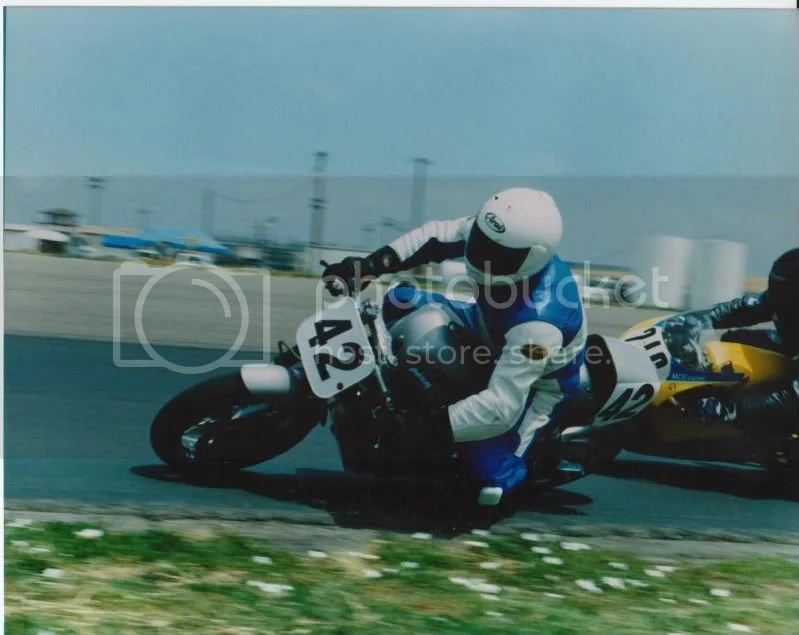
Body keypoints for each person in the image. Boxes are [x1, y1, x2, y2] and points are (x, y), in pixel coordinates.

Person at [322, 187, 586, 506]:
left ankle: (530, 465)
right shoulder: (497, 233)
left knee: (484, 483)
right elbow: (434, 236)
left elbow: (501, 407)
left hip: (538, 384)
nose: (484, 257)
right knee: (399, 300)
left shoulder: (540, 323)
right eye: (481, 243)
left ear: (532, 257)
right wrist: (369, 266)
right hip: (483, 322)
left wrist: (427, 428)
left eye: (497, 255)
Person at [694, 248, 799, 430]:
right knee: (733, 341)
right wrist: (696, 320)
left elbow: (796, 397)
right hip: (792, 344)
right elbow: (745, 308)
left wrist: (733, 409)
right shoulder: (781, 298)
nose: (779, 302)